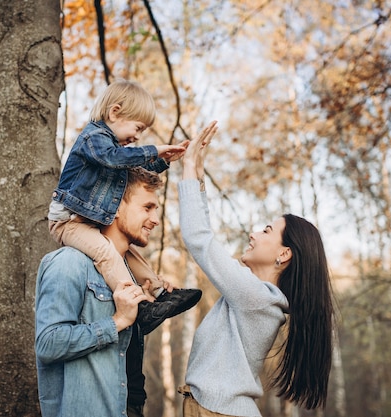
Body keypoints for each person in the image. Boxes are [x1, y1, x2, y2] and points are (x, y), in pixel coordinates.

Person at [177, 121, 335, 416]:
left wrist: (187, 169)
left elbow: (199, 238)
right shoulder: (256, 297)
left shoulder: (256, 297)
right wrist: (198, 177)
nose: (253, 234)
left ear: (284, 253)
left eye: (266, 231)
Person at [48, 79, 201, 335]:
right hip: (68, 222)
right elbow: (114, 158)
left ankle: (160, 292)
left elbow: (135, 166)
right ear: (115, 112)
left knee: (125, 251)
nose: (138, 137)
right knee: (107, 252)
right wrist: (152, 150)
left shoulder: (115, 150)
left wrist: (163, 160)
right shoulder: (94, 138)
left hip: (88, 222)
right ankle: (138, 306)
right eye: (138, 128)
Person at [35, 167, 172, 417]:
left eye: (156, 210)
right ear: (115, 206)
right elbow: (48, 344)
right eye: (147, 207)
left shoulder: (129, 275)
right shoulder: (69, 263)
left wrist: (144, 308)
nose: (155, 219)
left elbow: (122, 353)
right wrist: (117, 321)